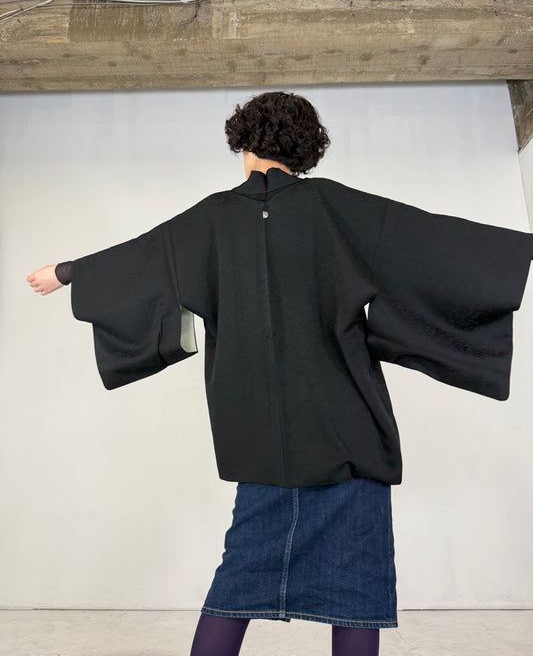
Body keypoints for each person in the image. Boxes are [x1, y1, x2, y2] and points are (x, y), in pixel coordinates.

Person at [26, 91, 533, 656]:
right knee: (356, 591)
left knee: (238, 582)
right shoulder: (338, 207)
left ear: (243, 143)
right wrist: (518, 254)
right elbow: (430, 243)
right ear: (305, 150)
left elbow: (140, 260)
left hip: (258, 435)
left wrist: (66, 272)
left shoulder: (210, 218)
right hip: (347, 432)